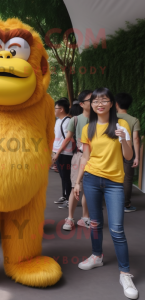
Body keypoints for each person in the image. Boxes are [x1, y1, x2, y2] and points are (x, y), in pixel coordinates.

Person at [74, 88, 138, 300]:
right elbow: (85, 157)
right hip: (92, 178)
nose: (99, 104)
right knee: (94, 222)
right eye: (95, 101)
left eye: (104, 100)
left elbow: (128, 157)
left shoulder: (122, 125)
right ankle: (96, 256)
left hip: (114, 183)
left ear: (112, 103)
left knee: (117, 228)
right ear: (90, 105)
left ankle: (125, 273)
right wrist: (77, 181)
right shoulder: (89, 127)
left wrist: (124, 140)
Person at [53, 91, 92, 230]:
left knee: (89, 189)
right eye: (91, 99)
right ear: (82, 104)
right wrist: (57, 153)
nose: (96, 102)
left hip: (96, 158)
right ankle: (70, 218)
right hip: (80, 156)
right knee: (75, 187)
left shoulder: (101, 119)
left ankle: (85, 218)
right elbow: (68, 137)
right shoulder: (75, 120)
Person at [115, 93, 141, 213]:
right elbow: (135, 139)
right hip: (128, 150)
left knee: (112, 175)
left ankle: (111, 201)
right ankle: (126, 204)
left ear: (116, 104)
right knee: (127, 178)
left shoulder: (111, 118)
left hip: (113, 151)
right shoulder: (134, 120)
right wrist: (137, 157)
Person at [52, 98, 73, 206]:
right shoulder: (58, 121)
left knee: (66, 176)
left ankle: (69, 199)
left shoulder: (68, 121)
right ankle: (64, 195)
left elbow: (67, 139)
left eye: (55, 108)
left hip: (65, 153)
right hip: (57, 151)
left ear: (61, 109)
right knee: (62, 175)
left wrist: (58, 152)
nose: (54, 110)